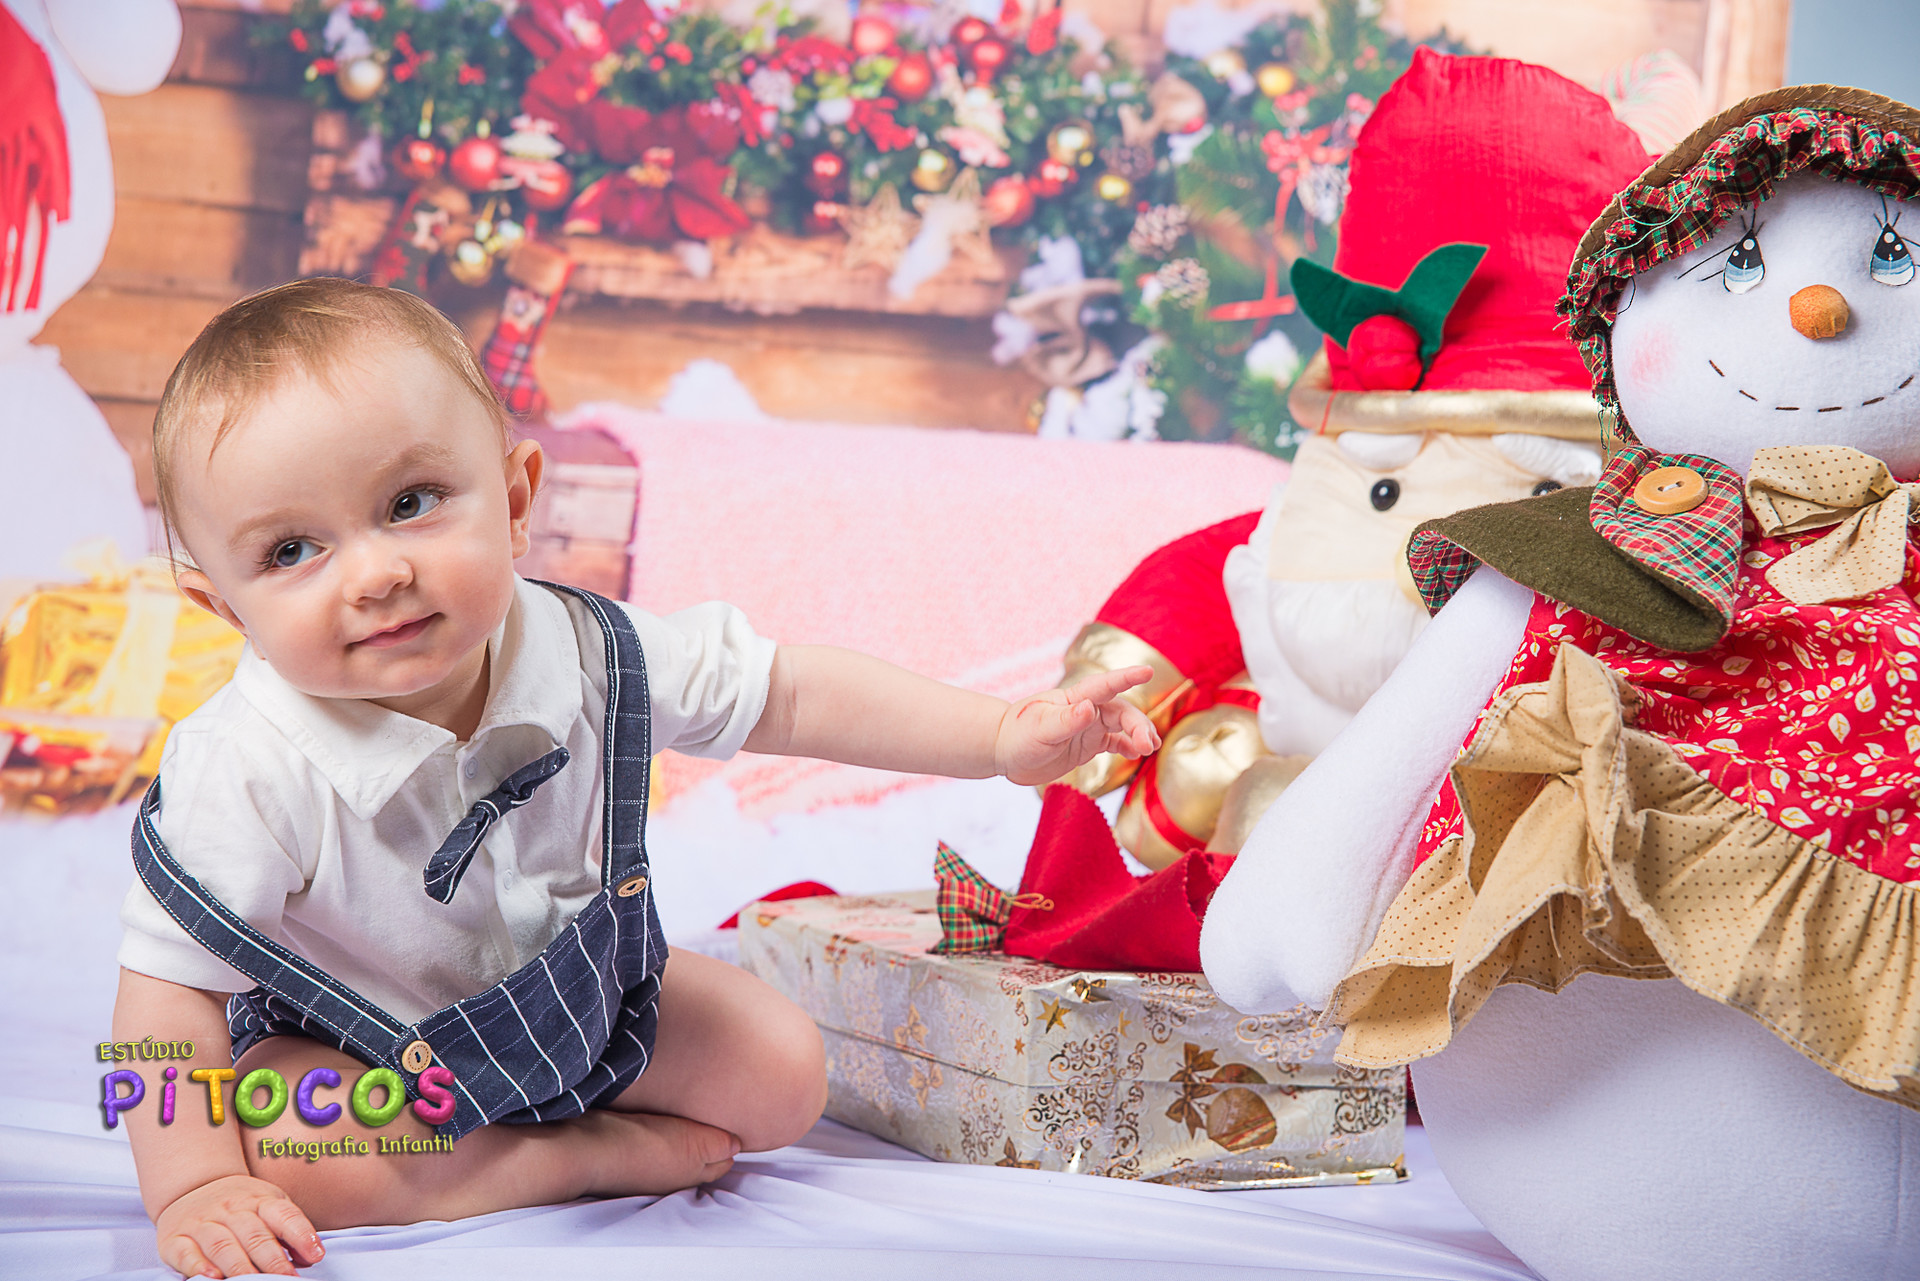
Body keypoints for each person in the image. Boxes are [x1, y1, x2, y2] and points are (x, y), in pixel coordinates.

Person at [113, 278, 1161, 1279]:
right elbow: (165, 999)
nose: (377, 573)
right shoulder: (244, 765)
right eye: (293, 549)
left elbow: (792, 694)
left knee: (784, 1074)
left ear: (516, 499)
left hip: (583, 1009)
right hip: (358, 1050)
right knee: (293, 1144)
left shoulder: (586, 650)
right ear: (226, 608)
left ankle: (558, 1123)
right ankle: (562, 1160)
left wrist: (997, 737)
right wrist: (193, 1186)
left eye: (413, 501)